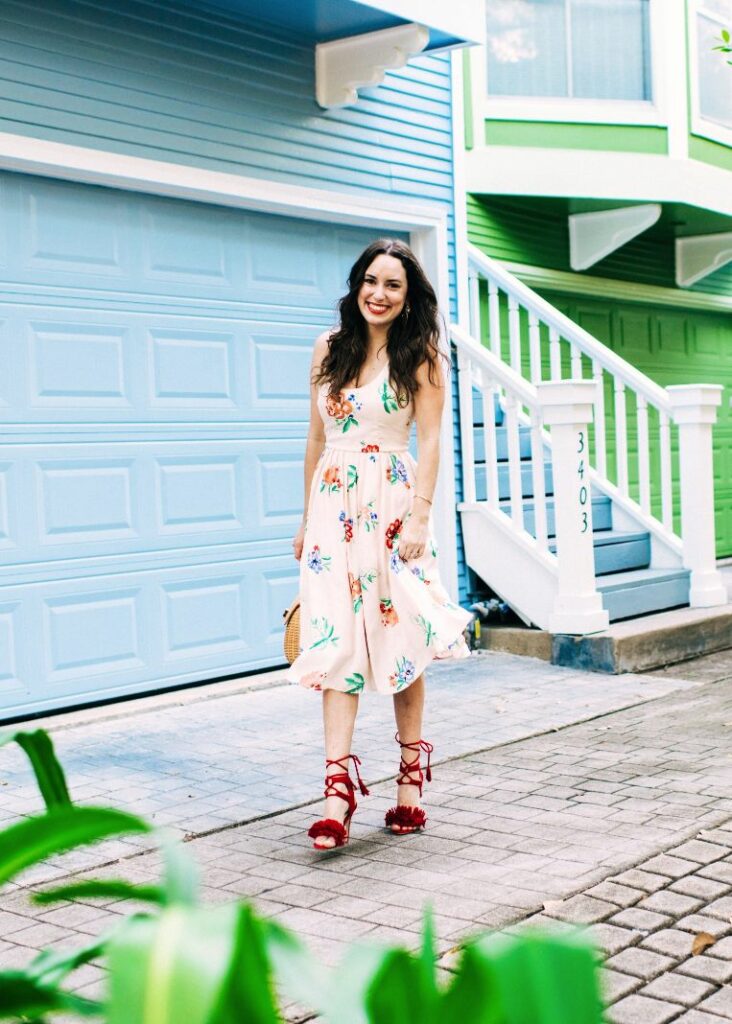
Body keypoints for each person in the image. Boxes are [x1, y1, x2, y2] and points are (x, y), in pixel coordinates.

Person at [287, 239, 471, 851]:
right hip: (333, 509)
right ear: (356, 284)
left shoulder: (421, 356)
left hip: (392, 506)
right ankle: (336, 794)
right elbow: (315, 439)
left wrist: (419, 519)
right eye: (371, 280)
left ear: (408, 295)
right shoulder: (327, 350)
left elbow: (432, 442)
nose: (379, 294)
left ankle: (410, 782)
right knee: (335, 638)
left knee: (400, 640)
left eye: (393, 285)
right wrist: (306, 517)